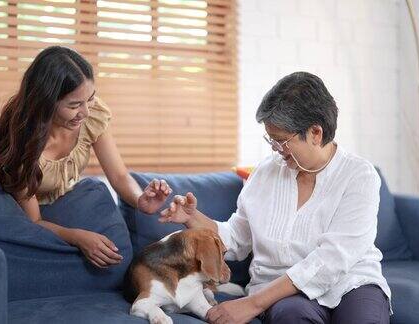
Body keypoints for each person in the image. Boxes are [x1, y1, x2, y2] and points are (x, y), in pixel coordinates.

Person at [159, 72, 392, 324]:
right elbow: (236, 239)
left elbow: (333, 259)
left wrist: (251, 304)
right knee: (291, 316)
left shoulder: (359, 175)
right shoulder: (264, 174)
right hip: (280, 293)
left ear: (315, 132)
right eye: (271, 139)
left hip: (351, 282)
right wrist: (192, 217)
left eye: (281, 141)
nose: (275, 149)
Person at [0, 46, 172, 269]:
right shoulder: (24, 150)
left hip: (59, 206)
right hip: (26, 220)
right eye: (74, 105)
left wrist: (140, 201)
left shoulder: (91, 115)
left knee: (96, 195)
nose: (86, 112)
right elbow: (34, 221)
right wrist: (78, 237)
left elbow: (118, 175)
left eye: (90, 99)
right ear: (46, 102)